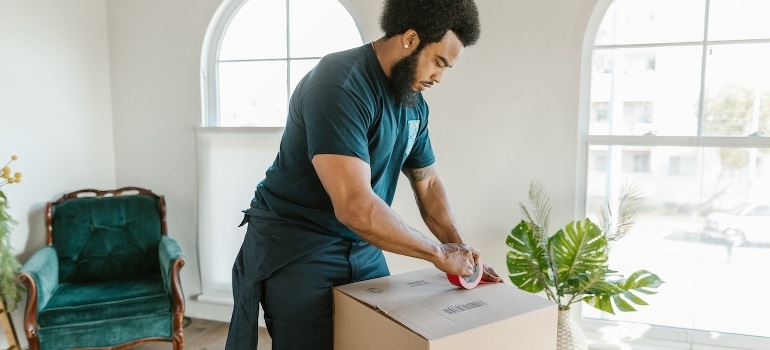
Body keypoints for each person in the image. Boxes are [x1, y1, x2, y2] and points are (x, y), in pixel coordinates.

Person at [225, 1, 501, 349]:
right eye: (438, 62)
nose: (439, 77)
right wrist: (437, 253)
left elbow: (427, 182)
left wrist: (462, 253)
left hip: (362, 244)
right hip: (300, 244)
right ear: (411, 39)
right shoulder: (339, 84)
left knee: (377, 338)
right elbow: (354, 206)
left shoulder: (413, 103)